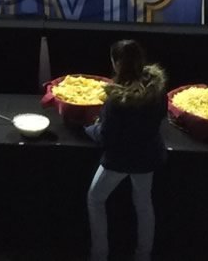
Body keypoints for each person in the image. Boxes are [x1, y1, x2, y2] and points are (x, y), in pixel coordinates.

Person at [84, 39, 166, 261]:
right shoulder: (156, 91)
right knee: (143, 202)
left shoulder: (116, 101)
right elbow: (159, 118)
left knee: (95, 198)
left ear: (117, 63)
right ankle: (143, 255)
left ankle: (99, 254)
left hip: (120, 159)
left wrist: (89, 127)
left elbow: (105, 137)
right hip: (148, 155)